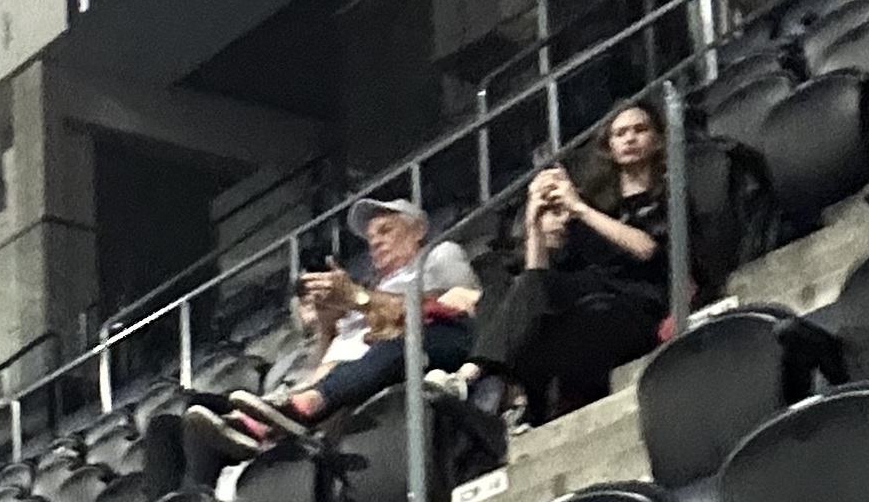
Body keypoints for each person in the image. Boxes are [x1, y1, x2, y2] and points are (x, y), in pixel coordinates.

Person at [177, 201, 483, 477]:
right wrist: (327, 324)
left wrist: (359, 298)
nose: (375, 241)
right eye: (370, 237)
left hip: (399, 359)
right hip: (338, 379)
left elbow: (461, 308)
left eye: (385, 230)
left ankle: (283, 418)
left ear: (417, 230)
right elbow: (329, 360)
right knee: (179, 419)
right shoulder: (369, 287)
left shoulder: (437, 256)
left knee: (390, 349)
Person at [461, 104, 673, 427]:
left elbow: (647, 249)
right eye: (620, 133)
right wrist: (533, 221)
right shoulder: (600, 202)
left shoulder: (666, 190)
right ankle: (501, 389)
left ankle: (474, 376)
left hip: (636, 306)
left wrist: (579, 208)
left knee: (543, 309)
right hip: (593, 303)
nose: (630, 138)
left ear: (657, 140)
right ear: (609, 146)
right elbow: (537, 277)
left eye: (640, 130)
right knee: (500, 291)